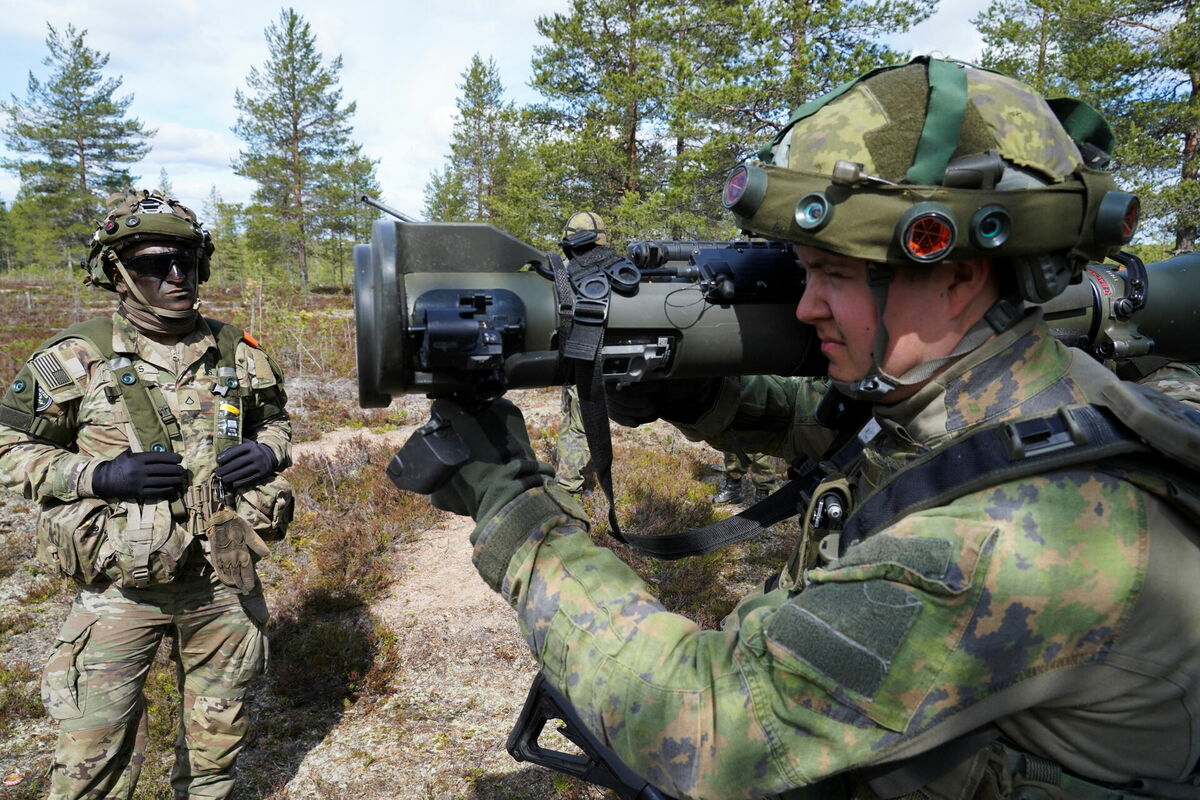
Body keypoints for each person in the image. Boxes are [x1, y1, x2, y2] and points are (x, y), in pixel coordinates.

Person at [415, 59, 1200, 799]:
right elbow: (850, 440)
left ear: (959, 274)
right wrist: (691, 398)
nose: (805, 306)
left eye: (834, 275)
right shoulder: (1036, 389)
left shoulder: (1006, 545)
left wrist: (518, 515)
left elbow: (707, 724)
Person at [0, 191, 293, 800]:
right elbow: (7, 445)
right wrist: (96, 476)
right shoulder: (75, 358)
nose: (176, 276)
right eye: (155, 264)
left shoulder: (237, 350)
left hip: (223, 578)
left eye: (186, 259)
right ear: (118, 273)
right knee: (91, 755)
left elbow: (276, 422)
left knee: (217, 751)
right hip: (120, 588)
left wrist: (269, 451)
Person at [554, 211, 608, 496]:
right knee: (579, 426)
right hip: (590, 362)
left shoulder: (562, 271)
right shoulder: (607, 272)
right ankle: (568, 488)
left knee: (572, 422)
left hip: (570, 360)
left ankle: (572, 481)